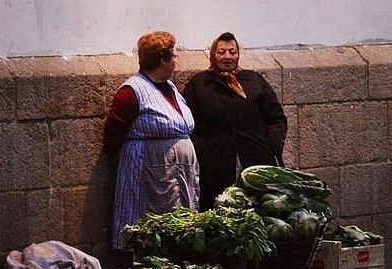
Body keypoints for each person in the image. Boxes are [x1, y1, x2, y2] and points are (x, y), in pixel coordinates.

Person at [104, 31, 199, 249]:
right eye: (174, 55)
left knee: (180, 231)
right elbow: (113, 134)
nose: (176, 59)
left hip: (178, 174)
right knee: (150, 231)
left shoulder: (170, 87)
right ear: (162, 59)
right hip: (148, 173)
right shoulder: (132, 91)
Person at [183, 32, 287, 210]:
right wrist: (201, 152)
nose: (227, 57)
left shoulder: (253, 80)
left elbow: (275, 117)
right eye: (221, 52)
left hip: (256, 161)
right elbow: (188, 124)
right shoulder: (199, 84)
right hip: (215, 166)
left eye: (232, 52)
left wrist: (272, 145)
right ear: (213, 55)